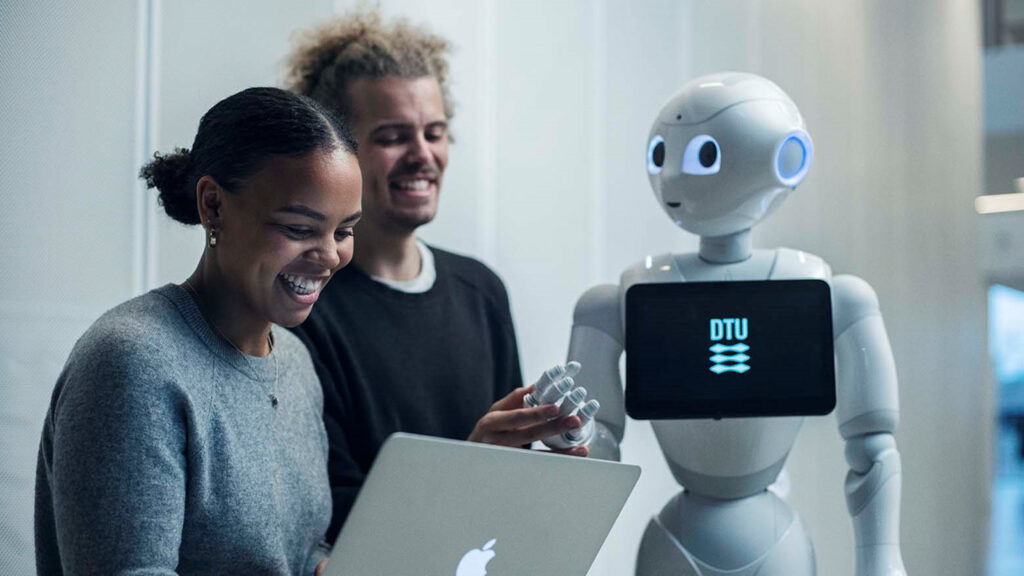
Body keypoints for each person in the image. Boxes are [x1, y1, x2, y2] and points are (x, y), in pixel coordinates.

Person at [284, 11, 586, 542]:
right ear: (334, 151)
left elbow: (507, 485)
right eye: (392, 136)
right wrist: (471, 465)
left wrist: (551, 454)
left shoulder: (480, 291)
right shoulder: (302, 308)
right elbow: (325, 518)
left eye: (435, 132)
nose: (422, 155)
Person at [34, 87, 362, 575]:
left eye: (344, 231)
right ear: (213, 206)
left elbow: (297, 553)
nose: (329, 255)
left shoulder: (294, 362)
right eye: (298, 229)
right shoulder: (132, 362)